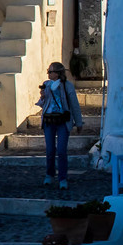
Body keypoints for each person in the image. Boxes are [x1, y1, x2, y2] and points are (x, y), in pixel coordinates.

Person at [38, 62, 84, 190]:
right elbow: (42, 103)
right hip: (49, 120)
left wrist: (79, 122)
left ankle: (62, 178)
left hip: (63, 121)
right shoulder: (46, 84)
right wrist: (42, 97)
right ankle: (49, 174)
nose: (48, 73)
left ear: (57, 73)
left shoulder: (67, 86)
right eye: (48, 71)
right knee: (50, 150)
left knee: (62, 151)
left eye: (51, 71)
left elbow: (74, 104)